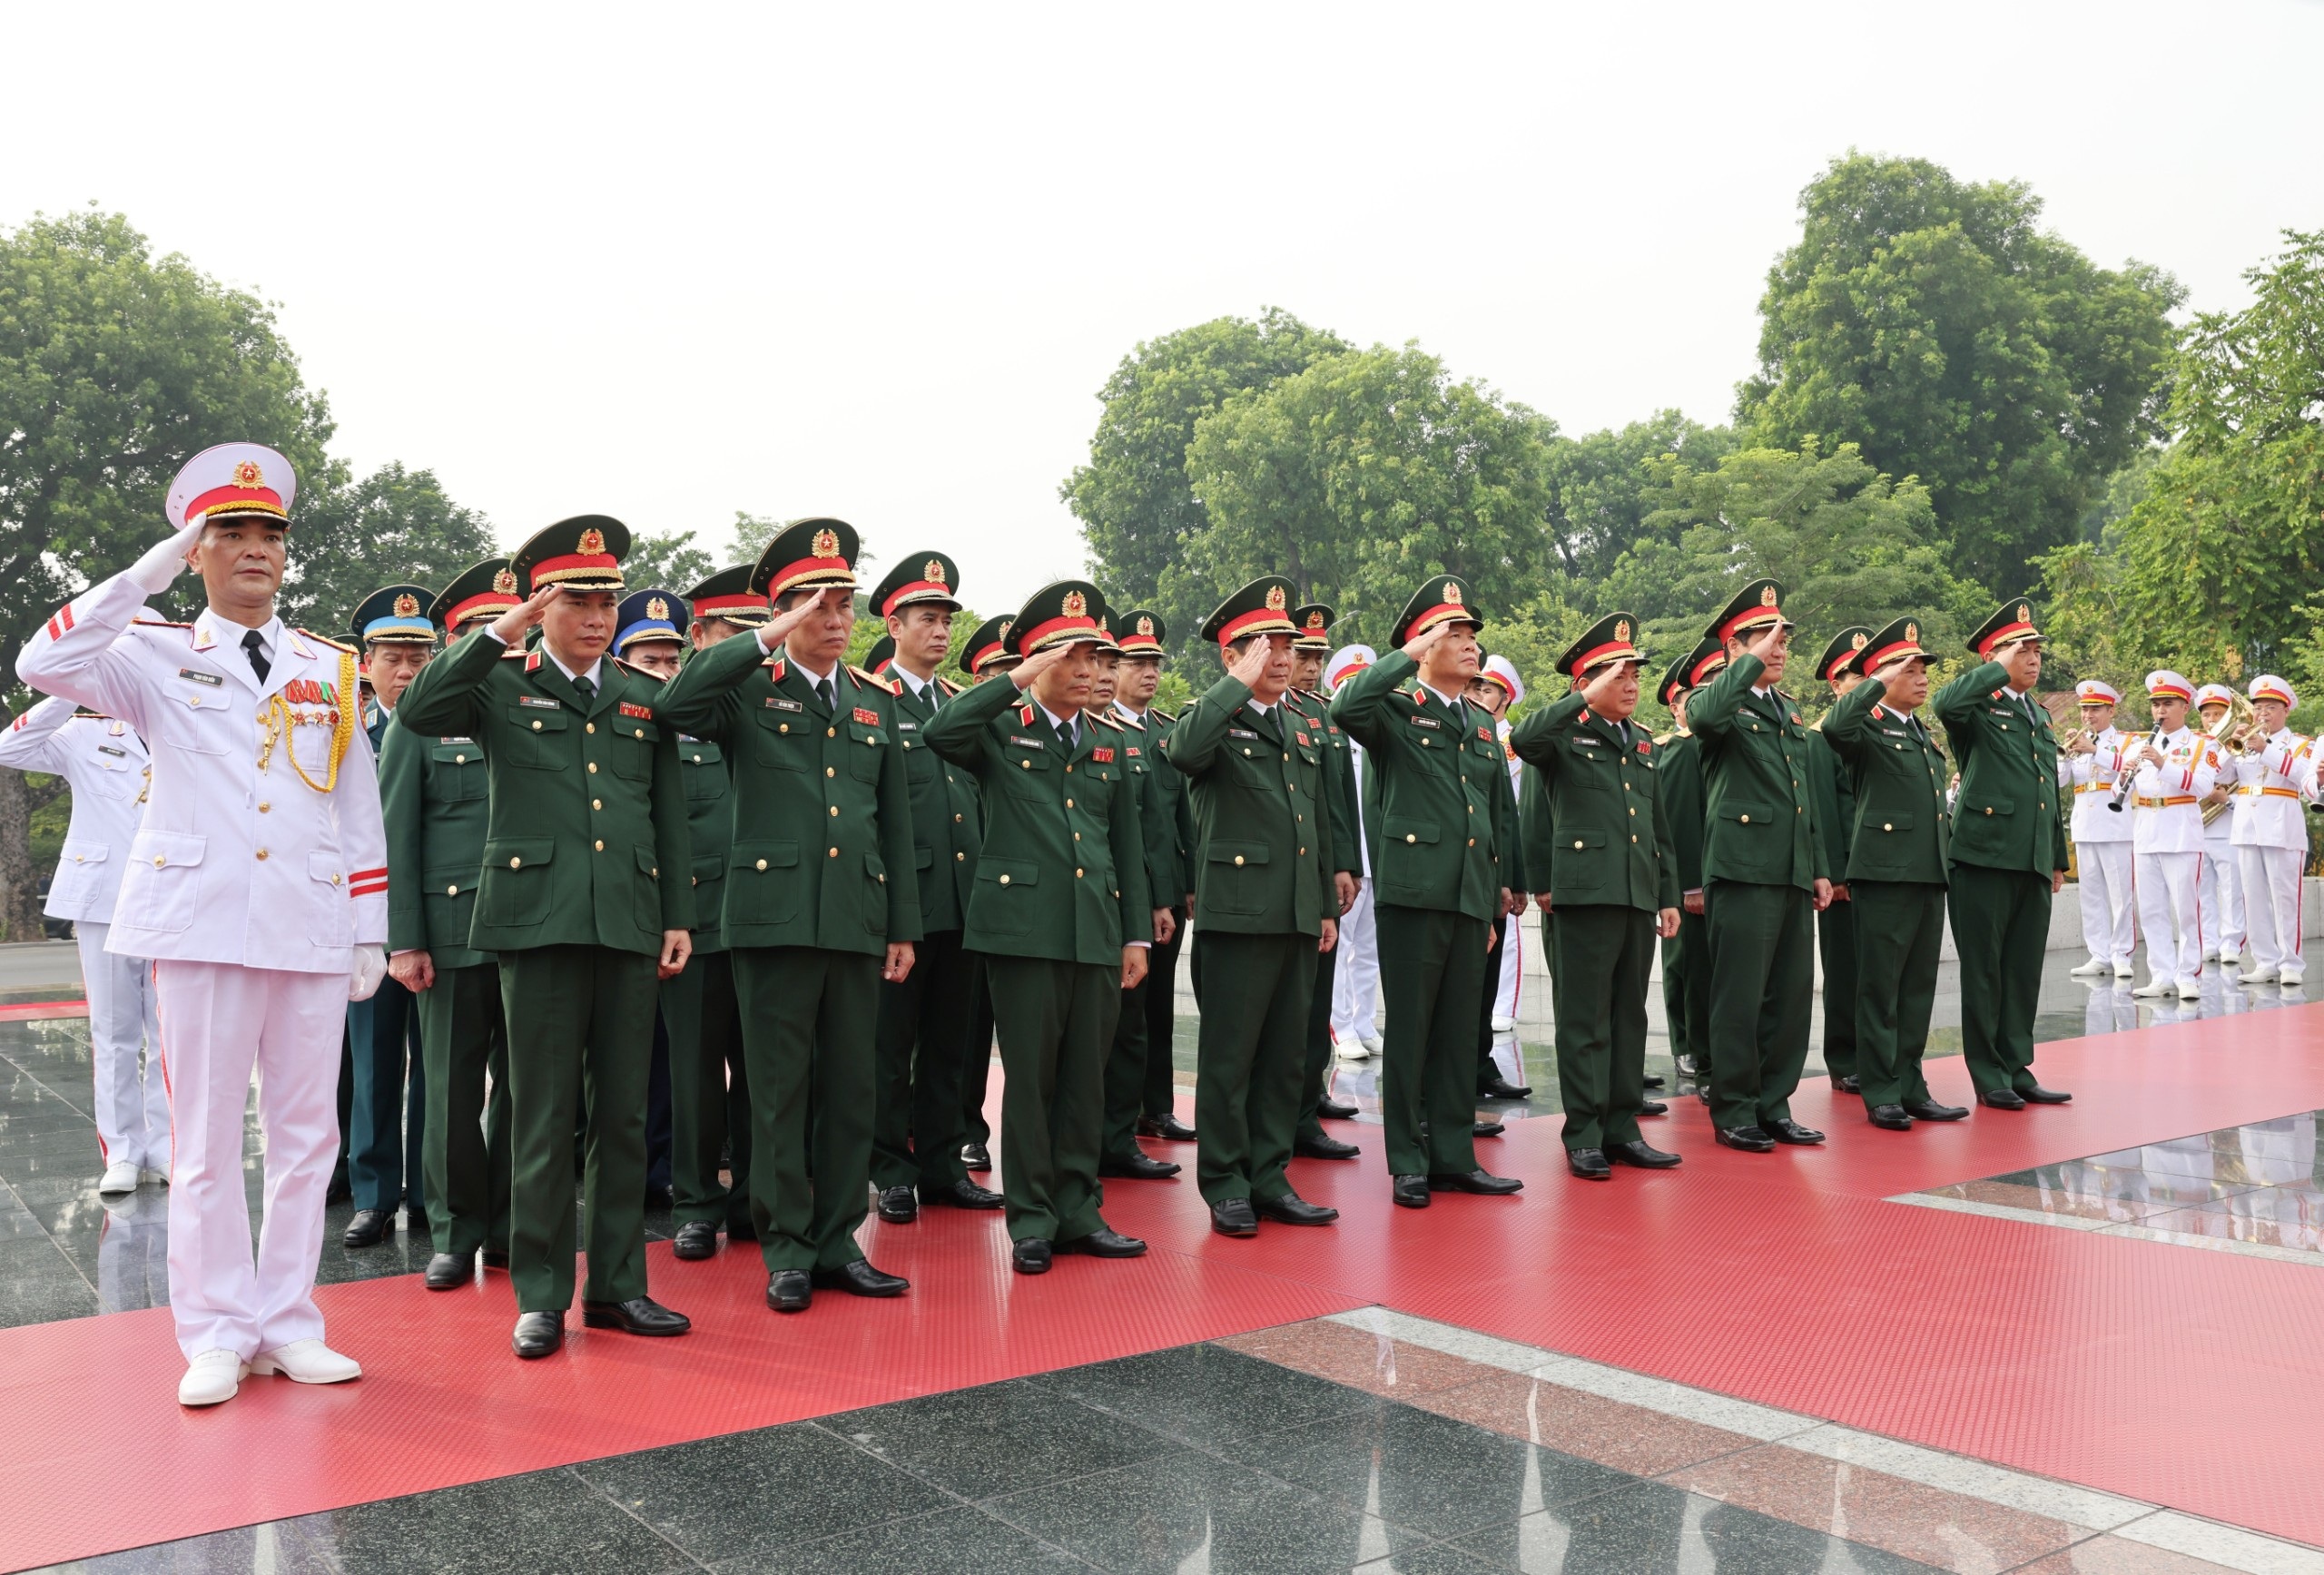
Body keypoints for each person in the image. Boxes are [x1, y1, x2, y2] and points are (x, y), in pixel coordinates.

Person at [21, 441, 383, 1405]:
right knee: (205, 1138)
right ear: (198, 546)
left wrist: (369, 926)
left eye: (270, 533)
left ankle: (289, 1319)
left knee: (308, 1136)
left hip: (307, 924)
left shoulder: (332, 668)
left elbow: (356, 809)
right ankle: (217, 1328)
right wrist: (149, 569)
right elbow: (41, 658)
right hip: (197, 922)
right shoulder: (149, 652)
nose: (254, 549)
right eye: (230, 532)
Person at [396, 515, 695, 1358]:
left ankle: (617, 1288)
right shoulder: (499, 681)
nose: (598, 615)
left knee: (624, 1117)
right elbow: (421, 708)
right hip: (537, 924)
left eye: (607, 599)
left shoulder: (641, 694)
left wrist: (675, 914)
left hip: (629, 922)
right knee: (542, 1117)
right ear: (543, 604)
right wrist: (502, 628)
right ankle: (540, 1293)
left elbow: (662, 809)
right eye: (576, 599)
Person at [655, 518, 921, 1314]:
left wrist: (901, 924)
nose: (837, 621)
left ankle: (840, 1241)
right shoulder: (746, 690)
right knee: (777, 1093)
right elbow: (675, 703)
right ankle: (788, 1247)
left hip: (854, 918)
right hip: (770, 921)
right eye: (819, 606)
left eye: (844, 606)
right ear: (785, 613)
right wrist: (765, 633)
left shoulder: (874, 701)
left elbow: (894, 823)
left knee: (851, 1089)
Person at [922, 580, 1156, 1274]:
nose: (1090, 671)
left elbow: (1125, 847)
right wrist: (1017, 675)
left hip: (1093, 928)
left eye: (1096, 658)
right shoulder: (1000, 728)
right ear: (1036, 660)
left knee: (1086, 1078)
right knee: (1032, 1081)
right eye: (1073, 657)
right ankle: (1031, 1218)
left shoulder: (1108, 741)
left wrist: (1134, 933)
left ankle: (1078, 1210)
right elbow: (941, 731)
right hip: (1022, 931)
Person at [1329, 576, 1522, 1208]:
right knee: (1411, 1032)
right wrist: (1406, 656)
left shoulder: (1480, 722)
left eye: (1471, 635)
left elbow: (1494, 814)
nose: (1469, 646)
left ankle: (1453, 1154)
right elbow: (1346, 707)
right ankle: (1408, 1160)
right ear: (1423, 644)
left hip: (1468, 896)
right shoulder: (1396, 708)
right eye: (1454, 635)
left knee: (1457, 1031)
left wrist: (1498, 890)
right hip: (1415, 894)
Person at [1165, 579, 1342, 1235]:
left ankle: (1270, 1175)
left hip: (1296, 913)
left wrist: (1323, 904)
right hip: (1237, 917)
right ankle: (1227, 1181)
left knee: (1283, 1058)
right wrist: (1233, 685)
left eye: (1286, 644)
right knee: (1230, 1057)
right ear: (1229, 656)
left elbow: (1315, 824)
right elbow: (1183, 754)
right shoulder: (1211, 716)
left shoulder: (1299, 722)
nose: (1278, 656)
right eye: (1261, 645)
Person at [381, 559, 517, 1289]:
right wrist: (405, 938)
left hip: (532, 929)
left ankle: (507, 1223)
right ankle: (456, 1230)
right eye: (472, 634)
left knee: (529, 1090)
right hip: (453, 932)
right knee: (452, 1092)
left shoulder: (534, 707)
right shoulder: (422, 719)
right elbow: (397, 835)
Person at [859, 552, 1006, 1224]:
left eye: (948, 618)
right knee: (891, 1044)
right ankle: (890, 1166)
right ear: (894, 623)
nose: (942, 630)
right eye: (928, 617)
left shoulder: (956, 704)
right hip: (903, 901)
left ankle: (944, 1162)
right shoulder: (870, 696)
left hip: (963, 896)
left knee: (954, 1041)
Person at [1510, 613, 1681, 1179]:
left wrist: (1668, 894)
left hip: (1634, 893)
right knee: (1584, 1020)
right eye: (1620, 676)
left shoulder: (1642, 741)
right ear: (1589, 681)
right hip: (1582, 896)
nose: (1632, 686)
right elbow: (1525, 741)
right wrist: (1542, 882)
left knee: (1629, 1016)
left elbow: (1658, 827)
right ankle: (1583, 1131)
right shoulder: (1562, 733)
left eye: (1635, 676)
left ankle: (1622, 1127)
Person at [1688, 579, 1833, 1152]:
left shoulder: (1789, 710)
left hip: (1792, 871)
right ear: (1734, 648)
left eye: (1783, 638)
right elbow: (1701, 717)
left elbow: (1805, 798)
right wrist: (1744, 666)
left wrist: (1819, 864)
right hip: (1743, 871)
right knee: (1740, 999)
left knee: (1790, 999)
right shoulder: (1721, 700)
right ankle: (1734, 1109)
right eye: (1764, 638)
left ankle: (1774, 1103)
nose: (1778, 648)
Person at [0, 696, 165, 1195]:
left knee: (169, 1034)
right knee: (113, 1030)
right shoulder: (84, 731)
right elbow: (10, 747)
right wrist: (70, 687)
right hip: (102, 898)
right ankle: (122, 1151)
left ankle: (164, 1146)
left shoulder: (188, 718)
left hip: (174, 897)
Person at [1819, 619, 1966, 1131]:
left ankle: (1911, 1084)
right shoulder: (1867, 724)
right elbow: (1836, 729)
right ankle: (1881, 1090)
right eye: (1911, 669)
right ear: (1883, 676)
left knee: (1915, 989)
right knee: (1880, 988)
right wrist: (1877, 681)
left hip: (1926, 872)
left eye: (1924, 668)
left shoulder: (1918, 730)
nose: (1922, 678)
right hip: (1883, 873)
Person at [1932, 598, 2072, 1107]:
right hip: (1983, 856)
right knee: (1984, 970)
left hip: (2030, 858)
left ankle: (2017, 1065)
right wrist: (1994, 669)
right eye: (2023, 650)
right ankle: (1988, 1073)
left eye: (2037, 650)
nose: (2034, 659)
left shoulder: (2036, 712)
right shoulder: (1979, 707)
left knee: (2021, 968)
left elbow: (2045, 788)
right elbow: (1943, 705)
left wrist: (2056, 855)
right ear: (1997, 656)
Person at [663, 567, 763, 1260]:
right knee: (696, 1074)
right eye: (737, 635)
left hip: (764, 918)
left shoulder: (776, 704)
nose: (753, 649)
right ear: (701, 637)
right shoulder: (676, 709)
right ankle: (697, 1201)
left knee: (763, 1072)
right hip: (695, 923)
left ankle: (758, 1195)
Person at [341, 585, 437, 1250]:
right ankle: (373, 1195)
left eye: (419, 656)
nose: (406, 670)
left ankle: (433, 1190)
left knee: (440, 1063)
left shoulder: (457, 724)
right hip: (366, 922)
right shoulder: (339, 733)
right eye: (394, 656)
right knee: (373, 1060)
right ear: (365, 663)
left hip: (439, 918)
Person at [1100, 608, 1196, 1179]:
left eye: (1153, 663)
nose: (1147, 673)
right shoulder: (1104, 728)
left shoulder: (1164, 730)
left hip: (1164, 893)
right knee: (1124, 1014)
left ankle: (1155, 1107)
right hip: (1125, 897)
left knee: (1158, 1007)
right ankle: (1118, 1121)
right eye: (1135, 663)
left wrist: (1184, 888)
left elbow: (1178, 819)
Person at [610, 589, 696, 1208]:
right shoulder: (614, 721)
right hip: (618, 911)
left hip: (680, 916)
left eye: (671, 660)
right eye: (648, 658)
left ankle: (665, 1167)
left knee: (671, 1057)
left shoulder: (694, 724)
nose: (661, 672)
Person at [1283, 606, 1364, 1157]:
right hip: (1277, 881)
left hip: (1320, 875)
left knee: (1315, 1003)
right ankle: (1288, 1111)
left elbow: (1339, 804)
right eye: (1302, 656)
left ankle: (1309, 1100)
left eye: (1317, 657)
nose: (1310, 668)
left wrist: (1346, 866)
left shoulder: (1325, 715)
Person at [952, 614, 1020, 1173]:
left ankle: (968, 1130)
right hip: (949, 896)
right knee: (964, 1031)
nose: (1015, 678)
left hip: (1001, 898)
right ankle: (955, 1131)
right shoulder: (975, 726)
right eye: (1001, 672)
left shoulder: (1027, 734)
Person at [2124, 671, 2217, 1002]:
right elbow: (2123, 790)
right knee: (2151, 909)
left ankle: (2188, 975)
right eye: (2156, 705)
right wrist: (2124, 778)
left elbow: (2204, 787)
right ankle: (2162, 974)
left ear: (2185, 707)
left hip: (2181, 832)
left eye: (2168, 704)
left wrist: (2163, 764)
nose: (2160, 711)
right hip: (2146, 830)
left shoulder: (2202, 744)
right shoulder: (2139, 745)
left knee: (2187, 909)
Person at [1654, 641, 1722, 1088]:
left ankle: (1710, 1047)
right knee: (1687, 967)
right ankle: (1688, 1046)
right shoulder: (1680, 749)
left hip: (1726, 874)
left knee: (1712, 969)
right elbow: (1682, 822)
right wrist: (1690, 885)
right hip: (1695, 882)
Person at [1807, 628, 1868, 1095]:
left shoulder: (1884, 727)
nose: (1864, 681)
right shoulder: (1822, 737)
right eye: (1853, 675)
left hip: (1884, 868)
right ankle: (1844, 1057)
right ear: (1835, 685)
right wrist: (1835, 871)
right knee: (1845, 970)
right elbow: (1825, 809)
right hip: (1847, 873)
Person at [1472, 653, 1531, 1102]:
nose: (1479, 695)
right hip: (1445, 873)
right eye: (1475, 687)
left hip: (1491, 872)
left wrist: (1515, 876)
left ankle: (1480, 1062)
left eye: (1487, 688)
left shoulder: (1499, 737)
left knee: (1489, 972)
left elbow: (1507, 816)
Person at [2226, 675, 2309, 987]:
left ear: (2285, 710)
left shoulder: (2300, 743)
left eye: (2271, 707)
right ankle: (2265, 961)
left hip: (2282, 826)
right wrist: (2229, 743)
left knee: (2286, 898)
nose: (2263, 713)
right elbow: (2220, 775)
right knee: (2253, 897)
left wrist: (2267, 749)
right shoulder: (2246, 741)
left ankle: (2291, 963)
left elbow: (2304, 777)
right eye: (2258, 707)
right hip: (2247, 826)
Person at [1324, 644, 1383, 1062]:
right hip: (1347, 863)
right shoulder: (1330, 735)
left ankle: (1365, 1023)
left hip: (1378, 861)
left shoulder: (1381, 736)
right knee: (1341, 949)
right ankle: (1341, 1026)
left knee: (1370, 952)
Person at [2063, 681, 2136, 979]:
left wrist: (2095, 749)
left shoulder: (2126, 740)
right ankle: (2099, 954)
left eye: (2095, 709)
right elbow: (2059, 781)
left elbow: (2130, 769)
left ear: (2111, 710)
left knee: (2121, 895)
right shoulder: (2077, 741)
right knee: (2090, 894)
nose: (2088, 715)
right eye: (2084, 709)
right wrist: (2063, 753)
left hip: (2115, 824)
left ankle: (2122, 954)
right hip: (2085, 824)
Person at [2192, 684, 2247, 968]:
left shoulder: (2240, 744)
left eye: (2218, 713)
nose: (2212, 719)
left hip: (2227, 825)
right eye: (2207, 714)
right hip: (2198, 828)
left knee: (2231, 888)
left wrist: (2227, 799)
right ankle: (2208, 941)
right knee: (2203, 890)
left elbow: (2246, 783)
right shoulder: (2194, 743)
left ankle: (2231, 943)